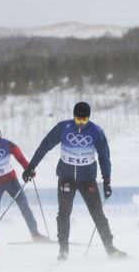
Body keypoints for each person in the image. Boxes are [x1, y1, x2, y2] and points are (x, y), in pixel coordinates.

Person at [22, 102, 126, 261]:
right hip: (66, 177)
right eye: (78, 119)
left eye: (84, 120)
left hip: (87, 179)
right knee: (63, 213)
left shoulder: (96, 131)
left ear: (89, 118)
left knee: (97, 213)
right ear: (73, 116)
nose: (80, 123)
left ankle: (110, 248)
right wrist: (31, 167)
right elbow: (45, 146)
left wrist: (107, 180)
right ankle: (63, 249)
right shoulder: (63, 128)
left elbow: (104, 157)